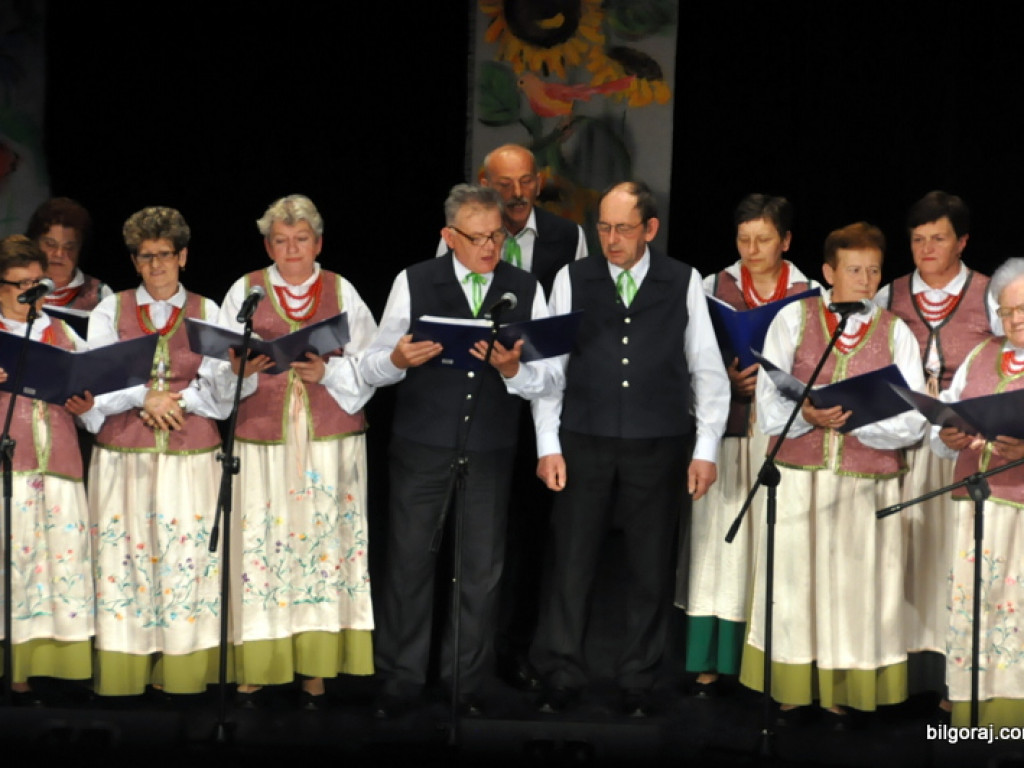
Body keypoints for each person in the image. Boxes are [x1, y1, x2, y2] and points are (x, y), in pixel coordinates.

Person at [530, 180, 730, 717]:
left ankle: (639, 678)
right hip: (584, 439)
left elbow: (706, 369)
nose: (611, 239)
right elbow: (550, 371)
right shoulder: (572, 278)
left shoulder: (682, 280)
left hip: (658, 442)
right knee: (571, 562)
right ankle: (561, 673)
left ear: (650, 229)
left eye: (622, 229)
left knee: (649, 567)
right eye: (602, 228)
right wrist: (548, 444)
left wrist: (705, 447)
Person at [362, 183, 563, 717]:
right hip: (421, 443)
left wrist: (515, 370)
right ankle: (401, 680)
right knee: (408, 562)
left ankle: (464, 685)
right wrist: (399, 360)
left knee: (480, 571)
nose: (488, 248)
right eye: (476, 238)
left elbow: (549, 379)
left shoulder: (525, 286)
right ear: (449, 236)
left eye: (496, 236)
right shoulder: (414, 280)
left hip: (491, 446)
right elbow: (373, 363)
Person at [739, 222, 927, 726]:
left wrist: (863, 424)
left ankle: (844, 686)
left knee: (853, 587)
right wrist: (810, 416)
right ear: (828, 272)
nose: (865, 280)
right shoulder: (794, 320)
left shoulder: (896, 332)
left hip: (863, 486)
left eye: (873, 271)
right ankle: (795, 685)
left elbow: (913, 418)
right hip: (801, 477)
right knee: (797, 582)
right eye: (854, 270)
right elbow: (770, 402)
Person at [217, 194, 378, 710]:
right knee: (265, 548)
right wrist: (238, 372)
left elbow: (375, 362)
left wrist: (327, 372)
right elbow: (215, 365)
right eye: (281, 241)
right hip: (263, 436)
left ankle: (316, 669)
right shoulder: (245, 291)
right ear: (268, 244)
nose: (291, 250)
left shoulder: (340, 289)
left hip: (328, 440)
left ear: (318, 243)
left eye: (301, 240)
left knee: (323, 547)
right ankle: (260, 666)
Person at [86, 207, 235, 698]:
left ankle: (182, 673)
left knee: (186, 560)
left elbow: (221, 391)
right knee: (126, 559)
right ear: (134, 262)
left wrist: (177, 400)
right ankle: (127, 674)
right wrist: (142, 396)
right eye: (146, 257)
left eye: (165, 255)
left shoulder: (209, 311)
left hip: (190, 459)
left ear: (183, 256)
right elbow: (96, 385)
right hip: (123, 456)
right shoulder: (110, 311)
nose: (156, 266)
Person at [680, 194, 817, 697]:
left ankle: (770, 659)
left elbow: (818, 363)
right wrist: (726, 378)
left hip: (781, 436)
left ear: (786, 240)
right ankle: (710, 658)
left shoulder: (809, 292)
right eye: (743, 240)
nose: (752, 250)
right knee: (720, 542)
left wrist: (773, 379)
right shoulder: (713, 286)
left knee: (772, 541)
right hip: (728, 430)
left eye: (763, 240)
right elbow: (689, 355)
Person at [874, 191, 999, 708]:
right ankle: (896, 671)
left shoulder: (992, 295)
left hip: (964, 450)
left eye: (939, 238)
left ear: (963, 241)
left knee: (956, 563)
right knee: (901, 560)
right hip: (903, 448)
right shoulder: (888, 294)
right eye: (918, 239)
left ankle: (957, 678)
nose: (926, 248)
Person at [0, 234, 97, 705]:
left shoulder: (61, 334)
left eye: (37, 284)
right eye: (20, 286)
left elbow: (91, 393)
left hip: (56, 466)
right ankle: (12, 674)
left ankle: (52, 668)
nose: (30, 294)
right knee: (10, 570)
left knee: (53, 567)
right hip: (7, 468)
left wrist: (84, 402)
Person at [931, 256, 1024, 729]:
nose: (1016, 319)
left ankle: (1013, 715)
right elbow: (949, 414)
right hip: (976, 505)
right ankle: (972, 709)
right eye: (1007, 311)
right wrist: (946, 436)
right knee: (975, 605)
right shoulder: (981, 355)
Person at [435, 143, 587, 295]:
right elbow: (442, 294)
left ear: (539, 184)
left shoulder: (569, 236)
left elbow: (579, 299)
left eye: (526, 181)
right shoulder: (460, 235)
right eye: (505, 184)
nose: (518, 193)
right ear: (486, 187)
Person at [26, 197, 112, 310]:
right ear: (34, 243)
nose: (59, 254)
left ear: (80, 249)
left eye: (69, 247)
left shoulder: (100, 295)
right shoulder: (13, 287)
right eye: (50, 244)